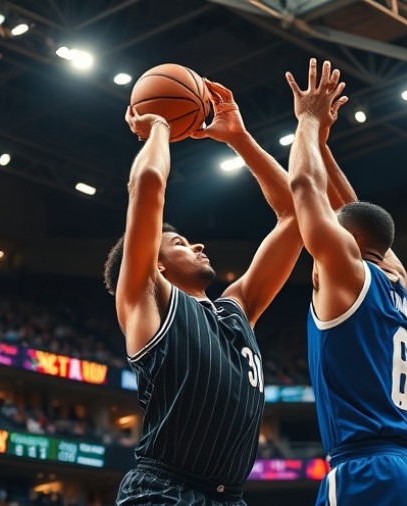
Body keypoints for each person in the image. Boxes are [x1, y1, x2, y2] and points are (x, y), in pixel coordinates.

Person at [104, 78, 303, 505]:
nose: (196, 245)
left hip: (229, 497)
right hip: (164, 491)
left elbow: (295, 215)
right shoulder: (146, 300)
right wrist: (159, 126)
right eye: (178, 243)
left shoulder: (238, 308)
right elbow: (148, 186)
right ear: (154, 265)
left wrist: (240, 138)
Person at [285, 58, 407, 505]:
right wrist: (321, 143)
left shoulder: (345, 271)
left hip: (365, 470)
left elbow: (302, 185)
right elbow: (355, 211)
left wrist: (307, 120)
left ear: (347, 242)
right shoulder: (397, 280)